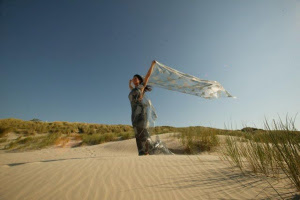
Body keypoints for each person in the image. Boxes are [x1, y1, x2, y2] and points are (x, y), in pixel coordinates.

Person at [128, 60, 173, 156]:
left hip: (141, 113)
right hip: (134, 115)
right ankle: (141, 152)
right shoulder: (134, 90)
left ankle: (149, 151)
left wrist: (152, 65)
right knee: (137, 134)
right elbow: (132, 93)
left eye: (136, 78)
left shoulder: (141, 87)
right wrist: (130, 85)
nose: (134, 79)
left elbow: (147, 76)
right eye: (133, 78)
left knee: (143, 133)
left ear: (139, 80)